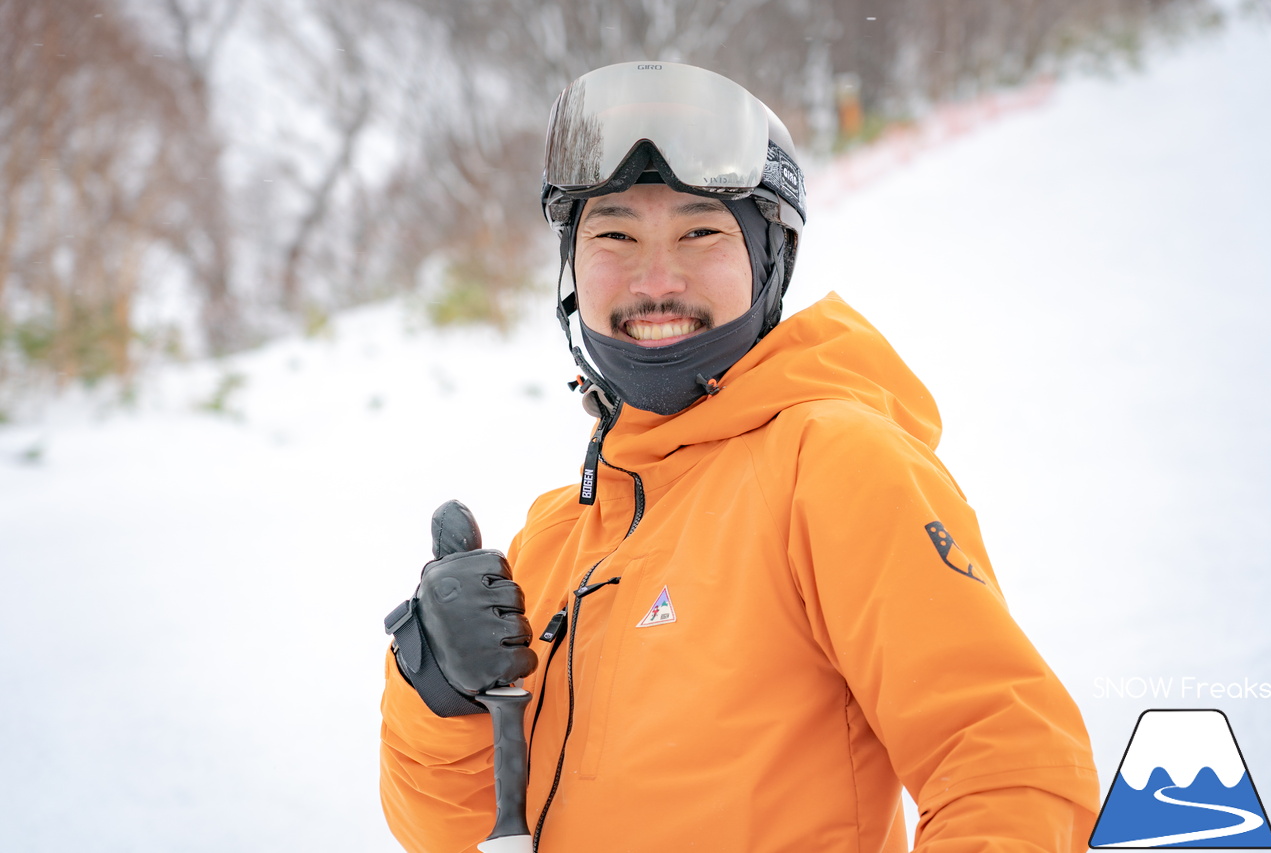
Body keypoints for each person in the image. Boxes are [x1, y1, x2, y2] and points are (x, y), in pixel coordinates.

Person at [380, 61, 1099, 852]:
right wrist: (439, 697)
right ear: (571, 271)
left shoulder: (830, 464)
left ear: (769, 262)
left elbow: (1009, 766)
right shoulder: (554, 538)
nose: (657, 278)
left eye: (700, 231)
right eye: (614, 233)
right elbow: (455, 835)